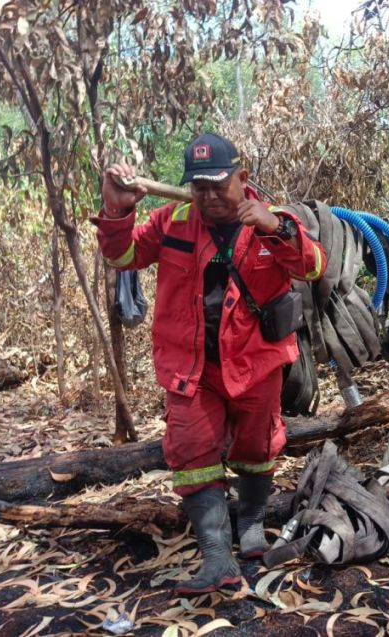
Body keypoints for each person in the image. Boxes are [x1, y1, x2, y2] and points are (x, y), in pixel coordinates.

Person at [94, 132, 326, 596]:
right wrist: (118, 210)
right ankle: (217, 556)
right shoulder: (173, 220)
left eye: (218, 184)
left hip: (256, 363)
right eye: (199, 186)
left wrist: (275, 228)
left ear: (242, 178)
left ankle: (253, 521)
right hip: (191, 368)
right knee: (193, 452)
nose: (208, 195)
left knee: (257, 445)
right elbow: (121, 255)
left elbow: (314, 266)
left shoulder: (272, 221)